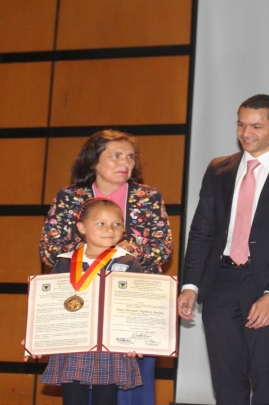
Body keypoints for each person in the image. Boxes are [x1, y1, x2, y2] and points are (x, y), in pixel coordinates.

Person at [177, 94, 269, 405]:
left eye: (256, 126)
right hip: (221, 285)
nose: (247, 133)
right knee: (227, 384)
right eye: (242, 125)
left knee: (267, 384)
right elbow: (202, 231)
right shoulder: (220, 169)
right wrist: (190, 285)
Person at [40, 130, 173, 405]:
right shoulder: (69, 197)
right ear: (93, 162)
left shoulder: (148, 197)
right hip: (79, 311)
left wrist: (118, 253)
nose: (125, 162)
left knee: (128, 387)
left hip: (130, 308)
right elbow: (50, 249)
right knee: (76, 386)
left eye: (130, 157)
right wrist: (90, 255)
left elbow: (162, 249)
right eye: (115, 155)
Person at [38, 198, 145, 405]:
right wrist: (38, 338)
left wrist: (135, 340)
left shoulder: (128, 261)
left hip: (111, 346)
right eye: (101, 223)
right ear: (81, 227)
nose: (110, 229)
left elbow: (137, 307)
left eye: (117, 224)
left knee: (106, 400)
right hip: (73, 342)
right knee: (73, 399)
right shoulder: (65, 261)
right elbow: (48, 304)